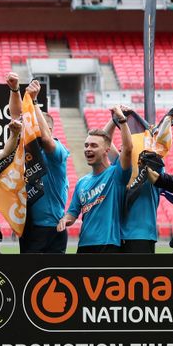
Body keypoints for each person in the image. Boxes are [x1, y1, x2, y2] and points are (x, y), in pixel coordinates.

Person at [103, 104, 173, 253]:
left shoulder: (156, 166)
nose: (125, 147)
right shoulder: (121, 165)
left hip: (140, 235)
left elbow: (159, 148)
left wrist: (168, 121)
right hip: (114, 235)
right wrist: (114, 119)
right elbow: (105, 142)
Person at [62, 106, 133, 253]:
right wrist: (65, 220)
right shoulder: (82, 182)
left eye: (94, 146)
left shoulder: (116, 174)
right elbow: (72, 213)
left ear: (107, 150)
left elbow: (128, 149)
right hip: (84, 245)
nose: (88, 149)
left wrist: (121, 120)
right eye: (86, 145)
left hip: (109, 245)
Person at [19, 79, 70, 254]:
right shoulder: (24, 153)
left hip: (51, 229)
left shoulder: (57, 152)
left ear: (47, 128)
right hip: (28, 228)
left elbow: (47, 139)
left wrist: (33, 102)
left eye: (36, 127)